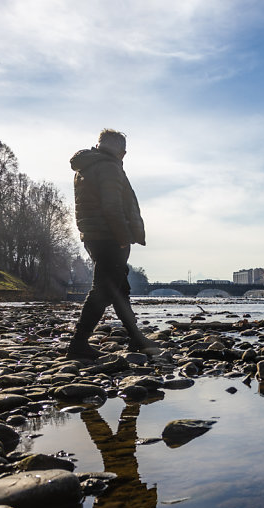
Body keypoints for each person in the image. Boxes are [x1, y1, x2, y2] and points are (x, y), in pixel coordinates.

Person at [66, 129, 160, 359]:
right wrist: (122, 238)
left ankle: (136, 338)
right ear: (122, 152)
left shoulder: (86, 166)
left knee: (120, 290)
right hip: (109, 236)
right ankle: (78, 344)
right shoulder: (109, 167)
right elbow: (112, 207)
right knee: (104, 290)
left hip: (93, 234)